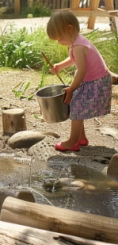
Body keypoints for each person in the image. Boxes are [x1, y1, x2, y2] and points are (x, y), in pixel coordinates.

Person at [46, 10, 112, 152]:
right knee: (78, 106)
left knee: (76, 107)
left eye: (60, 38)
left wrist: (72, 88)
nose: (59, 42)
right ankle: (81, 138)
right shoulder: (77, 42)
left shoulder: (78, 46)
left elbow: (81, 70)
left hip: (96, 82)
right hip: (93, 80)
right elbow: (73, 59)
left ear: (69, 29)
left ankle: (72, 141)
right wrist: (60, 66)